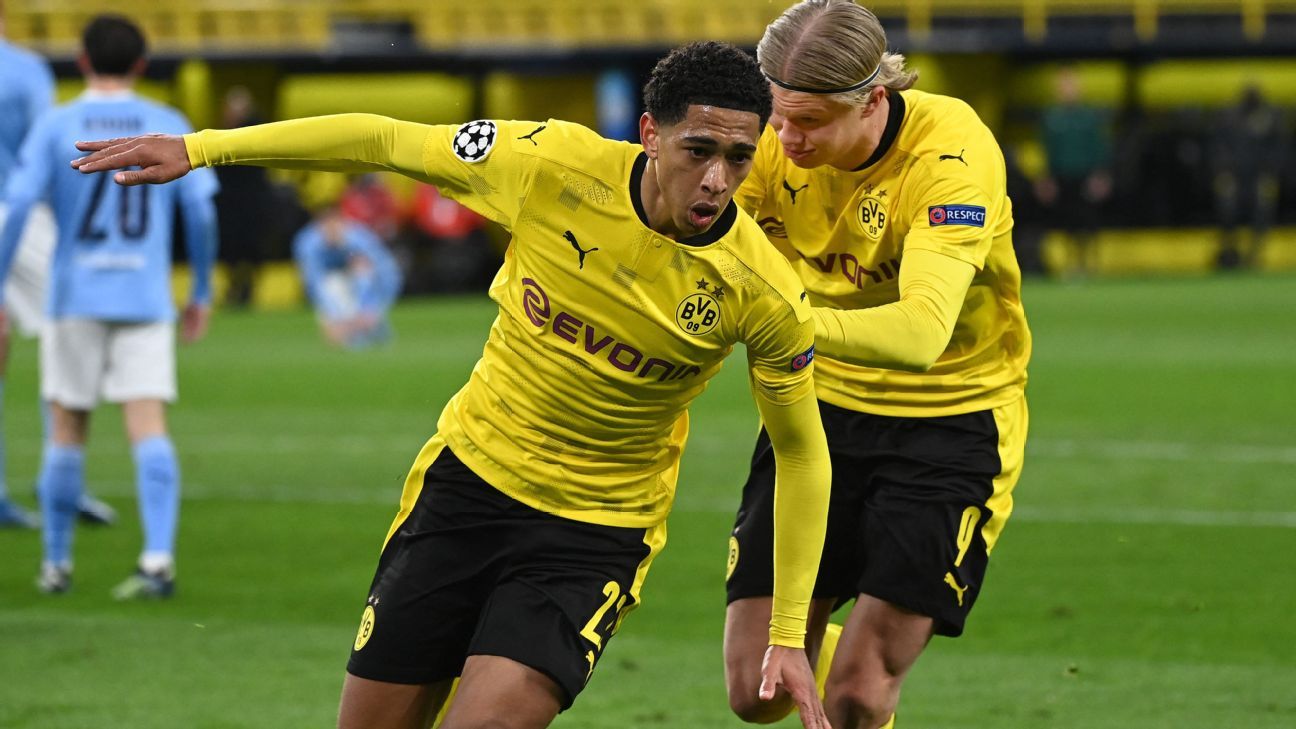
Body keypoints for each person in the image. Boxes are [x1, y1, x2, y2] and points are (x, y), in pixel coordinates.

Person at [73, 42, 833, 729]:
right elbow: (383, 140)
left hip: (592, 533)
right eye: (699, 150)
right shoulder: (548, 164)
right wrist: (201, 148)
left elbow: (801, 454)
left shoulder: (760, 289)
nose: (717, 180)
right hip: (465, 487)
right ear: (649, 135)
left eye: (739, 158)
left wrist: (788, 632)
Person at [722, 3, 1031, 729]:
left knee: (859, 695)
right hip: (818, 408)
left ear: (874, 99)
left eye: (810, 122)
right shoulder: (769, 139)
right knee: (755, 692)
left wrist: (785, 325)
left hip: (949, 416)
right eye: (778, 117)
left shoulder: (949, 155)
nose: (786, 139)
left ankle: (856, 681)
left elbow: (922, 331)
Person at [0, 14, 219, 597]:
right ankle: (157, 560)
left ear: (82, 61)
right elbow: (200, 211)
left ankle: (56, 565)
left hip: (73, 295)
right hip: (144, 296)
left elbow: (17, 207)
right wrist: (200, 288)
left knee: (67, 427)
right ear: (142, 64)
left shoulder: (57, 123)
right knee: (148, 424)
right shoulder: (168, 121)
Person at [0, 3, 119, 529]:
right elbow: (45, 150)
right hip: (18, 212)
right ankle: (62, 480)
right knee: (66, 336)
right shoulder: (24, 68)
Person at [1036, 63, 1112, 275]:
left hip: (1085, 176)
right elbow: (1046, 150)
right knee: (1067, 221)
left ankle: (1090, 262)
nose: (1068, 89)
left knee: (1088, 221)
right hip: (1062, 177)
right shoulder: (1051, 117)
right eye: (1064, 85)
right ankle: (1070, 262)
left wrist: (1101, 176)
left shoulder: (1089, 117)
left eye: (1071, 85)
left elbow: (1099, 147)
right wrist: (1045, 179)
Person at [293, 206, 402, 348]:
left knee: (362, 268)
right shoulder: (307, 243)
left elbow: (386, 272)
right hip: (333, 284)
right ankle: (355, 330)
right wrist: (333, 318)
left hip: (359, 282)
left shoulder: (359, 238)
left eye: (336, 226)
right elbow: (314, 282)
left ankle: (370, 324)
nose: (332, 231)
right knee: (334, 331)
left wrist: (376, 308)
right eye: (327, 227)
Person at [1212, 84, 1285, 270]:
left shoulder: (1269, 118)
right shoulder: (1230, 118)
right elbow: (1220, 148)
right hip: (1235, 177)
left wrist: (1270, 175)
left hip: (1259, 178)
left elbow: (1277, 150)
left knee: (1262, 211)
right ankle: (1229, 252)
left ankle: (1253, 254)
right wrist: (1224, 173)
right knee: (1227, 210)